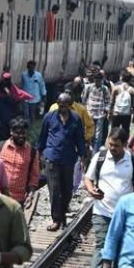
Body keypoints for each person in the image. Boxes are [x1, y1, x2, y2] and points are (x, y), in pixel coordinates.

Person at [83, 128, 134, 268]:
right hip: (102, 210)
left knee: (122, 246)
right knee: (101, 243)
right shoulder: (100, 157)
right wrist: (91, 190)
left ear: (124, 145)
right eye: (110, 144)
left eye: (116, 145)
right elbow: (88, 178)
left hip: (125, 213)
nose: (112, 148)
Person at [38, 92, 88, 231]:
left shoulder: (76, 119)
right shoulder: (49, 117)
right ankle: (56, 219)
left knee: (67, 189)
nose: (63, 109)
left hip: (68, 158)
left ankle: (63, 209)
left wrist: (83, 156)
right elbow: (42, 137)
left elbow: (80, 139)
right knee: (54, 189)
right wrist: (39, 154)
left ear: (70, 106)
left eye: (65, 106)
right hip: (52, 157)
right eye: (60, 106)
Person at [0, 117, 41, 204]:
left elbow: (34, 176)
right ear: (11, 132)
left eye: (23, 133)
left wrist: (31, 194)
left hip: (19, 199)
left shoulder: (32, 152)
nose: (21, 136)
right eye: (18, 133)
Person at [82, 70, 112, 153]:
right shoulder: (88, 87)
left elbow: (108, 101)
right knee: (89, 133)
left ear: (101, 79)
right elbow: (84, 99)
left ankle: (95, 153)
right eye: (96, 79)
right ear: (93, 79)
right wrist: (84, 111)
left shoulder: (104, 89)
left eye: (99, 79)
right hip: (89, 114)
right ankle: (87, 150)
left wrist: (106, 111)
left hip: (100, 115)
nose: (97, 81)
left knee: (98, 135)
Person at [110, 72, 134, 136]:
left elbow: (112, 102)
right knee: (125, 131)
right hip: (127, 114)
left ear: (121, 78)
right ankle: (124, 144)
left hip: (116, 113)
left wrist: (110, 112)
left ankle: (112, 144)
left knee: (114, 130)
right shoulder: (133, 90)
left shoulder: (115, 88)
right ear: (130, 79)